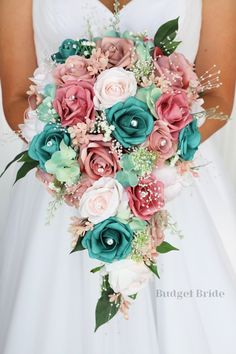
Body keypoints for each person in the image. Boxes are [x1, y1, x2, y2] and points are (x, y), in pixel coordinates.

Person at [0, 1, 236, 354]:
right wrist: (83, 156)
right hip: (64, 190)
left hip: (169, 187)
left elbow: (218, 99)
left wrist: (150, 150)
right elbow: (17, 98)